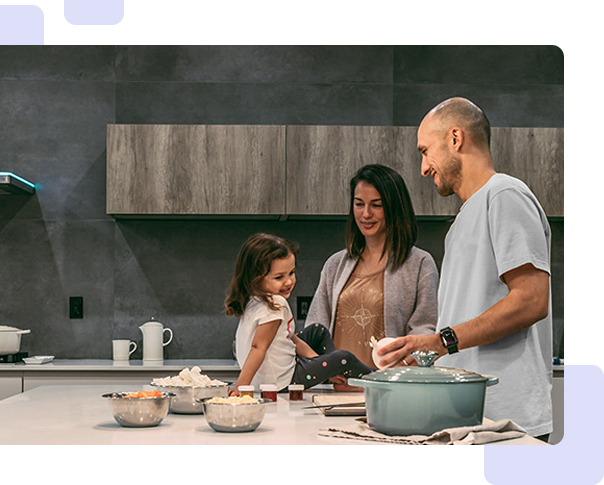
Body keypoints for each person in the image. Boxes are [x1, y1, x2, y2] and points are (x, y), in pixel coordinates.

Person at [377, 96, 553, 440]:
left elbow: (532, 300)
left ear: (455, 139)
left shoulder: (504, 195)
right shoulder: (461, 223)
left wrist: (442, 341)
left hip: (505, 421)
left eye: (425, 151)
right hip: (466, 417)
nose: (424, 167)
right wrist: (426, 352)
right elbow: (463, 326)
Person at [305, 164, 439, 379]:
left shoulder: (420, 264)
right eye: (359, 204)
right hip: (335, 389)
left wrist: (401, 366)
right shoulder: (335, 264)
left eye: (376, 205)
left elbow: (425, 331)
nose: (366, 214)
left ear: (395, 208)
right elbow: (314, 328)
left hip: (389, 388)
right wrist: (322, 367)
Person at [226, 232, 373, 395]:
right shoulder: (275, 303)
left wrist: (320, 363)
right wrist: (240, 387)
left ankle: (334, 376)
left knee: (318, 331)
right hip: (282, 381)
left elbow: (292, 339)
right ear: (256, 278)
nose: (288, 281)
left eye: (291, 273)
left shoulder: (253, 300)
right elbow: (258, 347)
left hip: (273, 376)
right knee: (343, 357)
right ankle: (378, 379)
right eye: (279, 277)